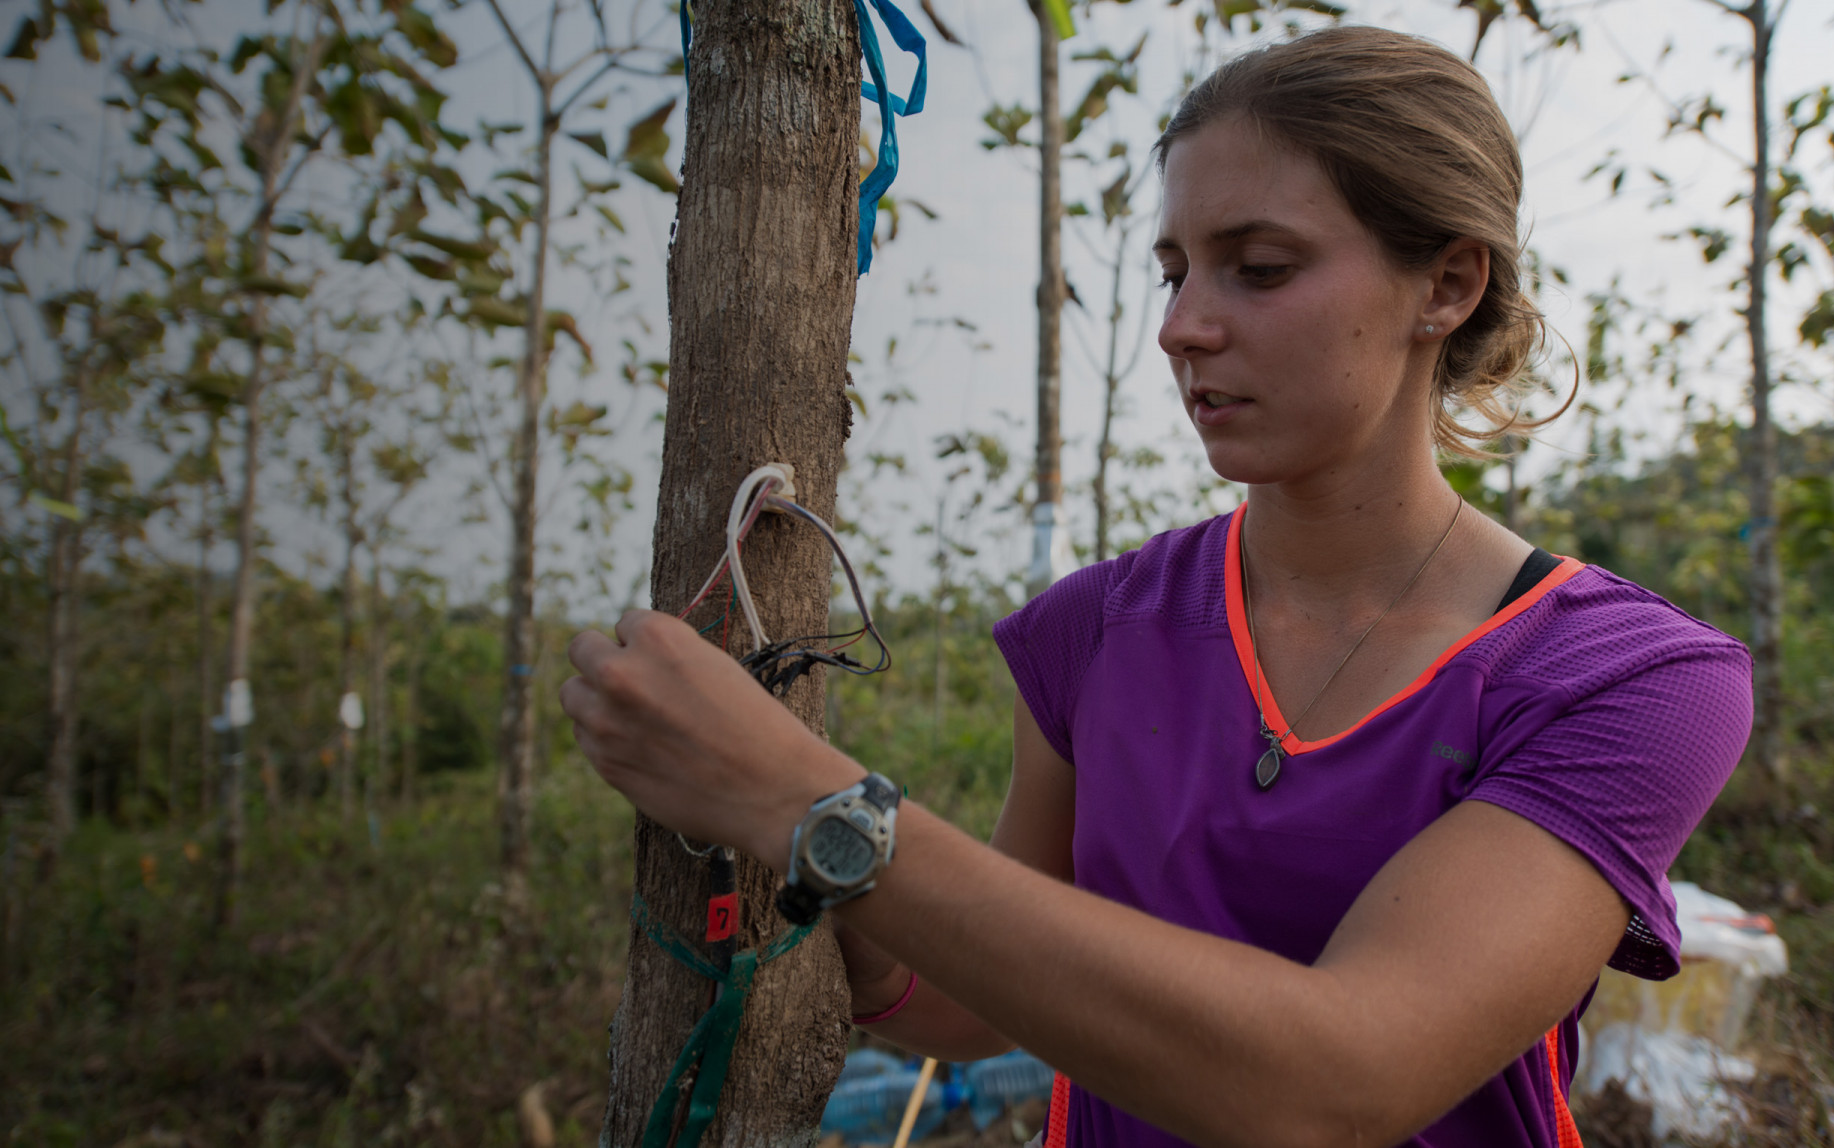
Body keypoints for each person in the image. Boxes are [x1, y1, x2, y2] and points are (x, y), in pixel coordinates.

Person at [561, 25, 1753, 1148]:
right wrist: (862, 937)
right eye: (1176, 271)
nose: (1183, 327)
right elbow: (983, 1015)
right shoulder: (1094, 632)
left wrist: (811, 801)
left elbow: (1347, 1080)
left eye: (1260, 268)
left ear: (1446, 285)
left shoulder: (1628, 679)